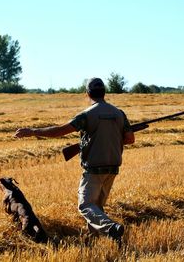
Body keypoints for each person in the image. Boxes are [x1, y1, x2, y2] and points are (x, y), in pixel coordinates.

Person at [14, 77, 135, 243]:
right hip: (112, 168)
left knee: (85, 205)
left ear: (87, 93)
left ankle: (111, 227)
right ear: (104, 93)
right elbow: (129, 139)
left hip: (93, 169)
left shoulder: (87, 115)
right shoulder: (119, 113)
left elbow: (60, 131)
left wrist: (33, 131)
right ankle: (97, 242)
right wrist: (109, 136)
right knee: (96, 209)